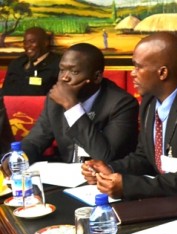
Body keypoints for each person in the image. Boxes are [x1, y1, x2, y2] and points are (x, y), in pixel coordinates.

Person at [82, 32, 177, 200]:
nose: (132, 74)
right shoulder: (149, 103)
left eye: (138, 67)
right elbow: (145, 157)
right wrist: (110, 169)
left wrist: (128, 186)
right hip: (162, 196)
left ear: (162, 73)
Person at [1, 43, 138, 172]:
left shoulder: (122, 103)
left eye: (74, 72)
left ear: (96, 77)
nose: (64, 78)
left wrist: (72, 107)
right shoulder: (55, 100)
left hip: (109, 181)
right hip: (67, 177)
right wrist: (16, 158)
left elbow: (105, 157)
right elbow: (35, 141)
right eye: (62, 70)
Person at [2, 27, 61, 96]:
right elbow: (4, 91)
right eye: (25, 42)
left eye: (32, 42)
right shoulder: (16, 64)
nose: (27, 46)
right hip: (10, 105)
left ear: (45, 43)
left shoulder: (57, 65)